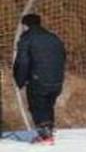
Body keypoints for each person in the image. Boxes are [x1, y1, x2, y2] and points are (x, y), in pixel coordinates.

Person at [12, 13, 65, 145]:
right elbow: (63, 57)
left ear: (26, 25)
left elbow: (22, 62)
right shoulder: (54, 37)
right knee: (48, 105)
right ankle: (49, 130)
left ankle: (45, 135)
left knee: (37, 106)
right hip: (57, 80)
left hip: (38, 79)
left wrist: (20, 80)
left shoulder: (27, 38)